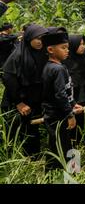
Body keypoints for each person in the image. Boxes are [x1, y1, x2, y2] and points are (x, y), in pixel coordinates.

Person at [1, 24, 48, 157]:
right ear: (28, 38)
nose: (40, 41)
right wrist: (19, 102)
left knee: (32, 130)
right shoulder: (18, 55)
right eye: (36, 38)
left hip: (34, 100)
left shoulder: (42, 53)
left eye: (42, 38)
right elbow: (8, 77)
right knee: (12, 132)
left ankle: (33, 158)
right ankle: (10, 161)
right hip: (15, 101)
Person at [41, 29, 83, 170]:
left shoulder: (57, 66)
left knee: (60, 142)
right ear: (50, 49)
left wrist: (73, 104)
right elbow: (60, 95)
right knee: (61, 144)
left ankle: (69, 170)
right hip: (58, 115)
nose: (67, 51)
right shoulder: (57, 69)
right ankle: (70, 171)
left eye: (67, 48)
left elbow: (66, 91)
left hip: (59, 112)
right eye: (63, 48)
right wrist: (70, 115)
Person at [63, 35, 85, 144]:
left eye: (83, 44)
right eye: (80, 44)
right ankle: (74, 142)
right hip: (72, 96)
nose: (83, 47)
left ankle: (84, 139)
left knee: (83, 119)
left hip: (84, 93)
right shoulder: (65, 62)